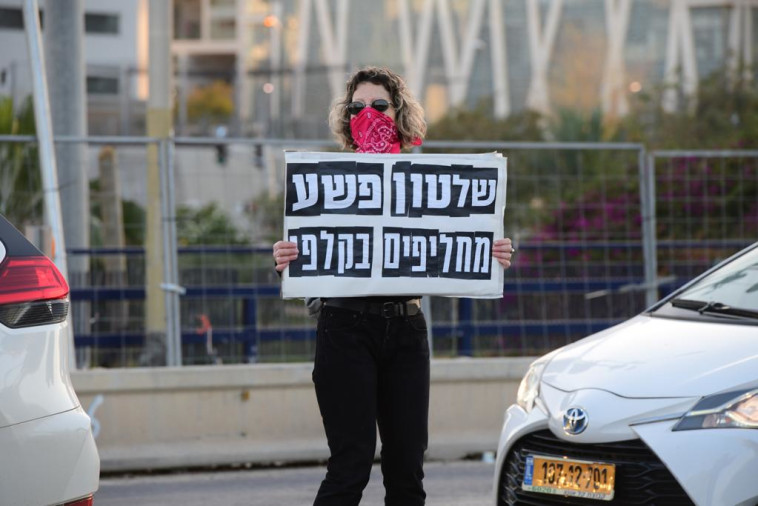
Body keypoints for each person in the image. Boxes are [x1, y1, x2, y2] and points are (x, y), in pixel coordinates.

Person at [273, 66, 514, 506]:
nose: (369, 114)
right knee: (351, 464)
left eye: (379, 105)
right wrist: (287, 259)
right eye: (358, 107)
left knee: (407, 468)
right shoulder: (327, 179)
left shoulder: (423, 180)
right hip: (345, 329)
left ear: (398, 111)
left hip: (405, 331)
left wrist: (488, 252)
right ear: (346, 117)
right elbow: (316, 250)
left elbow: (448, 240)